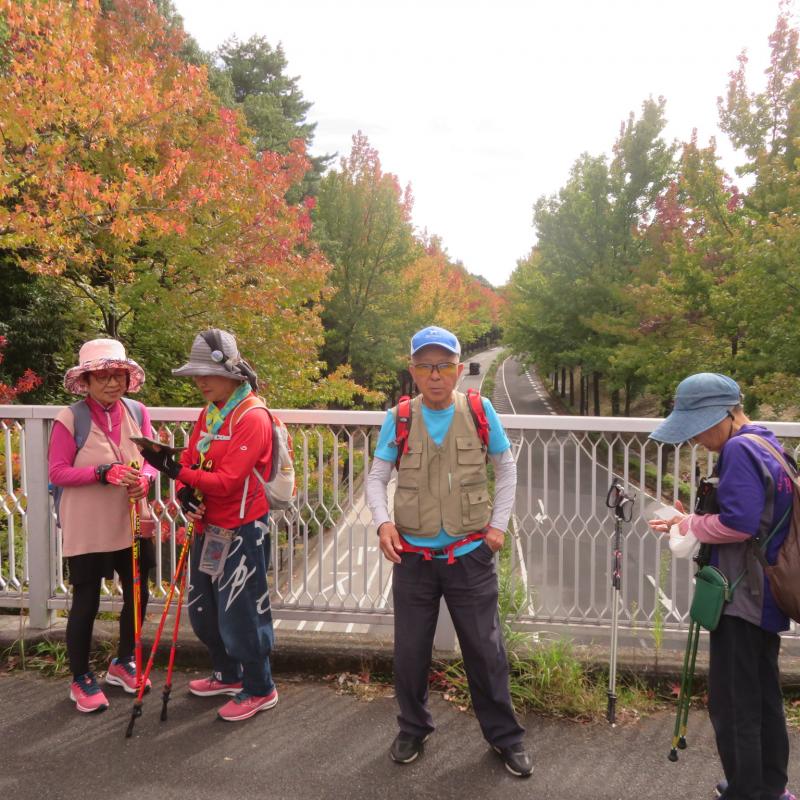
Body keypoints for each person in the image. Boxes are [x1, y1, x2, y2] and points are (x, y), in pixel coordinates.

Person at [366, 325, 532, 777]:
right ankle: (413, 727)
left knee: (485, 650)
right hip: (413, 558)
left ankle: (505, 737)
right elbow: (377, 477)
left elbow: (507, 467)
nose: (435, 375)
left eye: (443, 366)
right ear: (413, 371)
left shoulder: (479, 409)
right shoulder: (398, 417)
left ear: (458, 370)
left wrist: (496, 529)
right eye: (425, 366)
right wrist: (383, 523)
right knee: (410, 651)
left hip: (470, 555)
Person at [648, 373, 795, 800]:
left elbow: (739, 522)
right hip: (766, 595)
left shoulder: (737, 449)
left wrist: (689, 523)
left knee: (733, 705)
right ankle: (771, 787)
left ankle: (748, 791)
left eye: (699, 427)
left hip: (741, 597)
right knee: (764, 696)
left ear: (725, 414)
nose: (697, 439)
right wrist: (688, 520)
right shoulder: (766, 442)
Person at [139, 329, 276, 722]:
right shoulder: (210, 413)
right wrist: (183, 491)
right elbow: (193, 464)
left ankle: (260, 687)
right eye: (194, 373)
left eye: (206, 373)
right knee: (204, 607)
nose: (199, 381)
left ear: (232, 372)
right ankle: (227, 674)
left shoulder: (253, 416)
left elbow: (230, 480)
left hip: (243, 528)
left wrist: (178, 470)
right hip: (209, 525)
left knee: (242, 611)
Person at [49, 338, 157, 713]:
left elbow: (152, 459)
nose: (112, 383)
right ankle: (80, 678)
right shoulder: (70, 418)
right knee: (86, 602)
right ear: (87, 380)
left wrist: (145, 478)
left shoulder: (137, 411)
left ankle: (123, 661)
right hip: (88, 524)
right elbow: (57, 471)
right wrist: (101, 472)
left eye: (118, 375)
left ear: (128, 378)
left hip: (132, 519)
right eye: (102, 376)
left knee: (138, 594)